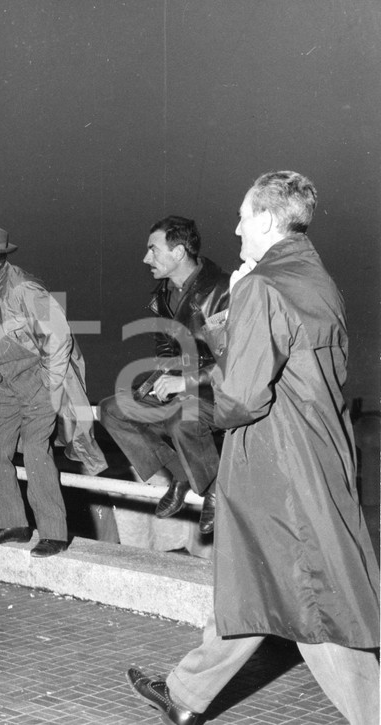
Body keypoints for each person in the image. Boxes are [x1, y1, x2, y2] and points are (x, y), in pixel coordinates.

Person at [126, 171, 380, 725]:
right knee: (256, 579)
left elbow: (240, 398)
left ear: (265, 219)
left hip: (278, 467)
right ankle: (185, 695)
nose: (236, 229)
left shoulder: (261, 285)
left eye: (242, 217)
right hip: (318, 455)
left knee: (316, 600)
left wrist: (231, 313)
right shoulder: (318, 280)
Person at [0, 222, 106, 557]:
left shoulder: (24, 288)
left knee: (37, 449)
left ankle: (53, 532)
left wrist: (51, 387)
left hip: (40, 376)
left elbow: (59, 338)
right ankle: (13, 524)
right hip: (6, 378)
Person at [99, 216, 229, 534]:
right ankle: (182, 475)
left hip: (218, 391)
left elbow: (234, 362)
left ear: (179, 252)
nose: (146, 259)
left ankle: (216, 489)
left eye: (153, 250)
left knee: (180, 420)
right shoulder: (162, 296)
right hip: (183, 391)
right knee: (112, 409)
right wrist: (152, 385)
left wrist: (184, 383)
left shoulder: (222, 291)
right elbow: (167, 353)